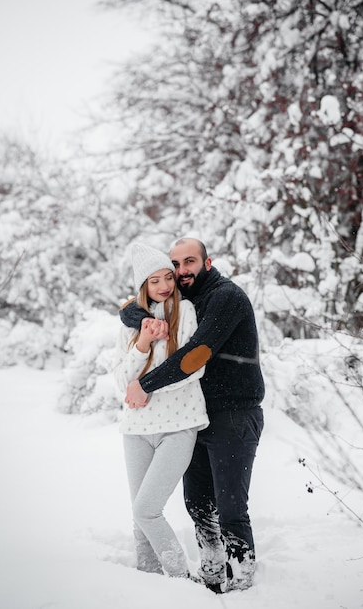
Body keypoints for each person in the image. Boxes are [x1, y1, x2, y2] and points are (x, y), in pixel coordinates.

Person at [121, 237, 265, 593]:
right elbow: (129, 307)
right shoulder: (187, 297)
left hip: (235, 412)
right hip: (198, 416)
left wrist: (145, 384)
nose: (182, 270)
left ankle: (243, 579)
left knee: (230, 505)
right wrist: (141, 320)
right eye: (176, 264)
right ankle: (214, 574)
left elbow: (196, 355)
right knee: (198, 502)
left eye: (190, 262)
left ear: (208, 262)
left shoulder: (225, 297)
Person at [113, 243, 209, 579]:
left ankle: (180, 579)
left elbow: (190, 368)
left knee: (146, 510)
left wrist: (145, 387)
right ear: (143, 286)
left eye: (168, 277)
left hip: (178, 426)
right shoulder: (131, 322)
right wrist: (142, 343)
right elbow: (121, 379)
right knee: (139, 515)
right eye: (154, 281)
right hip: (137, 430)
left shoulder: (186, 313)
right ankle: (148, 581)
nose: (164, 286)